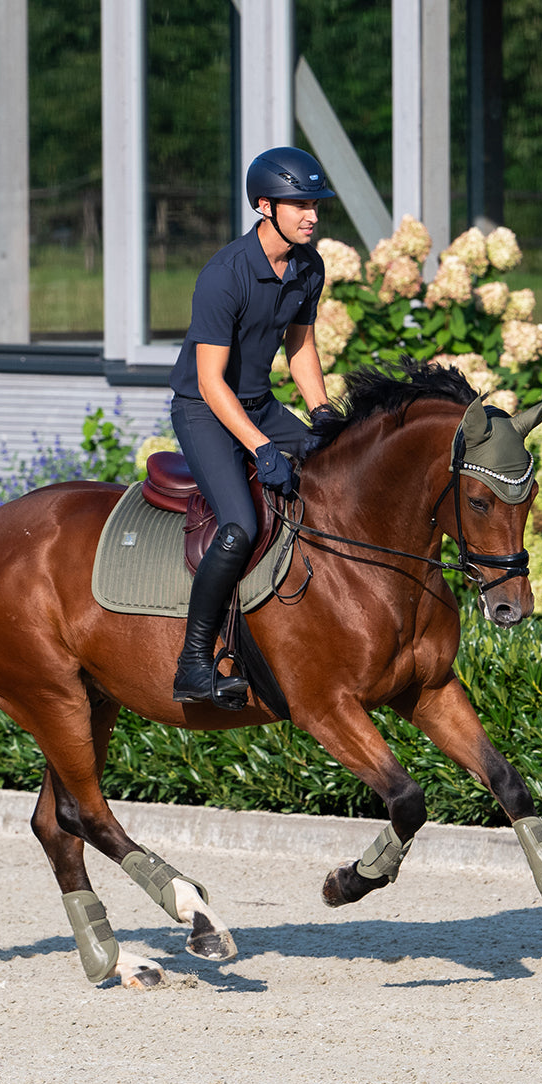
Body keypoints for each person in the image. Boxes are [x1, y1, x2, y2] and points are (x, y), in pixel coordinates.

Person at [168, 145, 340, 707]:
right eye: (299, 204)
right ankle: (194, 663)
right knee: (239, 524)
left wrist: (319, 411)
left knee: (335, 471)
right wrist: (263, 447)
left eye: (315, 203)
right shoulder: (224, 275)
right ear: (265, 206)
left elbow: (301, 346)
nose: (311, 214)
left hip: (259, 403)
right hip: (205, 409)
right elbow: (212, 381)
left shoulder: (308, 266)